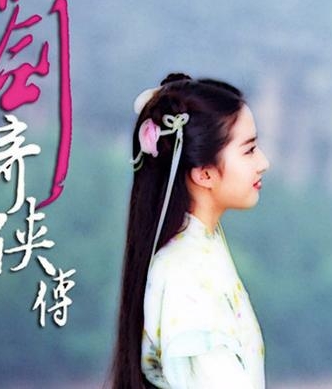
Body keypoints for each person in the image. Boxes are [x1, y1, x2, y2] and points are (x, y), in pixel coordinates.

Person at [110, 73, 270, 389]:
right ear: (204, 173)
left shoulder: (201, 249)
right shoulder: (183, 273)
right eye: (249, 149)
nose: (263, 162)